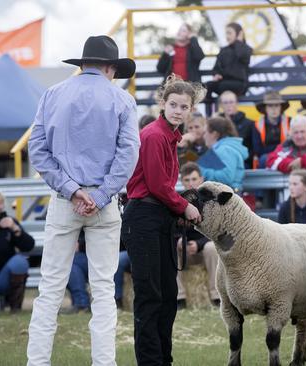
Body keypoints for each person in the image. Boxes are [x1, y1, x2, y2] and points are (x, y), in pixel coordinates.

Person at [27, 35, 140, 365]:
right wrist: (101, 194)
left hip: (65, 199)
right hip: (103, 202)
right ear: (109, 67)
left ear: (83, 63)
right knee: (104, 288)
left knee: (49, 288)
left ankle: (37, 362)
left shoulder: (53, 94)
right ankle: (104, 363)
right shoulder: (122, 101)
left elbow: (38, 151)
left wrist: (72, 190)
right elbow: (128, 153)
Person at [121, 75, 204, 365]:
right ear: (162, 103)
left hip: (158, 215)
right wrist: (185, 207)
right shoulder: (155, 135)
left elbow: (162, 186)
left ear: (190, 109)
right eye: (173, 104)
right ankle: (151, 361)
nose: (178, 110)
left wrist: (175, 208)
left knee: (167, 294)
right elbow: (157, 185)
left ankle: (163, 359)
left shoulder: (170, 137)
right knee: (150, 295)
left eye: (184, 106)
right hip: (144, 214)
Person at [176, 162, 221, 308]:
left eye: (194, 179)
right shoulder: (175, 202)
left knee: (211, 247)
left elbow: (216, 231)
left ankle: (216, 297)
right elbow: (170, 230)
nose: (191, 183)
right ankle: (179, 298)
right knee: (171, 247)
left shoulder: (211, 202)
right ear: (182, 181)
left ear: (201, 179)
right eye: (187, 180)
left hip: (205, 251)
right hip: (184, 252)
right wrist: (180, 241)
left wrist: (199, 244)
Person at [204, 22, 253, 115]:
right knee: (207, 86)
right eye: (226, 33)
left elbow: (241, 56)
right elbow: (216, 67)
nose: (227, 36)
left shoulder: (246, 48)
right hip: (224, 82)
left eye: (230, 33)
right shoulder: (224, 50)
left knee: (223, 86)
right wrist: (216, 74)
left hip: (238, 84)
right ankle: (210, 115)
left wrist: (239, 41)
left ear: (239, 34)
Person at [0, 192, 34, 312]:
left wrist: (15, 228)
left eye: (1, 203)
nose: (0, 207)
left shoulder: (8, 222)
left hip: (3, 276)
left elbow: (29, 245)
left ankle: (14, 306)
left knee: (20, 261)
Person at [198, 116, 249, 192]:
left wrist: (201, 171)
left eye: (205, 132)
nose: (203, 136)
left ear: (214, 134)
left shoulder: (225, 150)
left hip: (227, 197)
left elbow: (226, 177)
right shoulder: (224, 149)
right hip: (227, 195)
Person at [218, 90, 260, 169]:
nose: (229, 105)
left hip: (243, 162)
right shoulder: (215, 123)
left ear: (237, 103)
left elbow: (255, 149)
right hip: (221, 162)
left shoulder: (249, 124)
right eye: (225, 103)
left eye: (231, 102)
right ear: (221, 105)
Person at [255, 91, 292, 168]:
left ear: (281, 107)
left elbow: (292, 144)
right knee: (263, 159)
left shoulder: (290, 121)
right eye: (270, 106)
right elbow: (257, 149)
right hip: (266, 156)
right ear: (265, 108)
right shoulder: (257, 124)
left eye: (276, 105)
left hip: (286, 153)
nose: (274, 109)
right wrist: (276, 151)